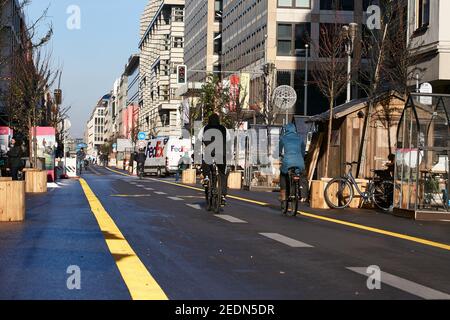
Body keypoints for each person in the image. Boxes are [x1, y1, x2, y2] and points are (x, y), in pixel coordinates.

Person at [199, 114, 230, 203]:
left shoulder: (204, 128)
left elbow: (199, 140)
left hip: (209, 152)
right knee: (223, 173)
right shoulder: (224, 129)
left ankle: (207, 177)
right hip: (221, 153)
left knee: (205, 162)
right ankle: (223, 195)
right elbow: (228, 141)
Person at [279, 123, 306, 203]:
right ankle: (302, 194)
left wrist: (279, 154)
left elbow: (279, 150)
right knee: (302, 175)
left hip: (287, 162)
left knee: (283, 175)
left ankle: (283, 195)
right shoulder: (300, 138)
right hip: (299, 162)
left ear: (286, 130)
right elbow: (303, 151)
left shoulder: (283, 138)